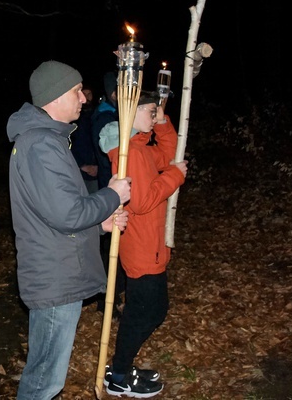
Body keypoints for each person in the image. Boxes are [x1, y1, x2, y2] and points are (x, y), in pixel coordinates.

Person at [6, 60, 131, 400]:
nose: (83, 98)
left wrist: (100, 225)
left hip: (58, 270)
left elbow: (54, 215)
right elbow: (68, 214)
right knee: (43, 382)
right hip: (55, 277)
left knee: (46, 377)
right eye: (76, 91)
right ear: (56, 95)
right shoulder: (41, 145)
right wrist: (112, 195)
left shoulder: (47, 141)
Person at [98, 91, 187, 397]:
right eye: (151, 111)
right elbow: (142, 200)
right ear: (131, 113)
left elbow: (167, 154)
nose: (154, 115)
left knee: (149, 310)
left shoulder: (138, 147)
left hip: (150, 245)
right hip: (142, 247)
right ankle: (119, 375)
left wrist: (162, 123)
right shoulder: (130, 153)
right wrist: (175, 176)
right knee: (146, 312)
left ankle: (121, 368)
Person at [91, 70, 126, 316]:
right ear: (114, 93)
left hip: (117, 187)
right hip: (110, 188)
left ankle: (116, 293)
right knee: (108, 246)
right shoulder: (105, 118)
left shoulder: (114, 113)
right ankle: (105, 299)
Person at [71, 83, 98, 194]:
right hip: (78, 170)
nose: (87, 97)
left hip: (96, 171)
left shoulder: (97, 115)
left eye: (89, 94)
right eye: (84, 94)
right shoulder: (73, 118)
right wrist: (81, 165)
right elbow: (70, 144)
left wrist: (97, 165)